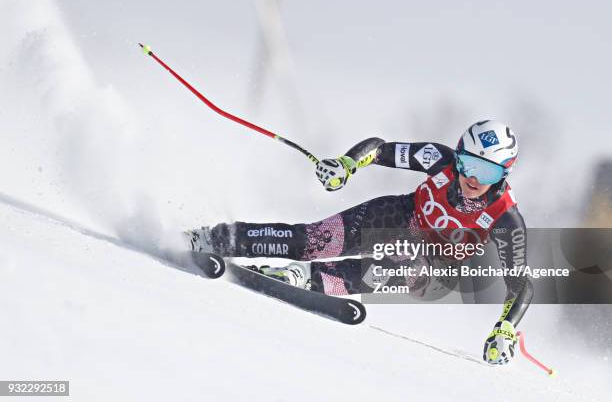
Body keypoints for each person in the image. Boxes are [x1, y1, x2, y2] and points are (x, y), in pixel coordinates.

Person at [186, 120, 533, 365]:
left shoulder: (507, 219)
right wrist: (347, 164)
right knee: (311, 240)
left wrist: (504, 328)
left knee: (404, 264)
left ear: (504, 174)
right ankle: (211, 237)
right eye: (469, 165)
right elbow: (380, 150)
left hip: (435, 267)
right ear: (458, 158)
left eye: (487, 172)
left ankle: (302, 277)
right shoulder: (439, 159)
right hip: (400, 216)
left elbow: (520, 285)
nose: (473, 178)